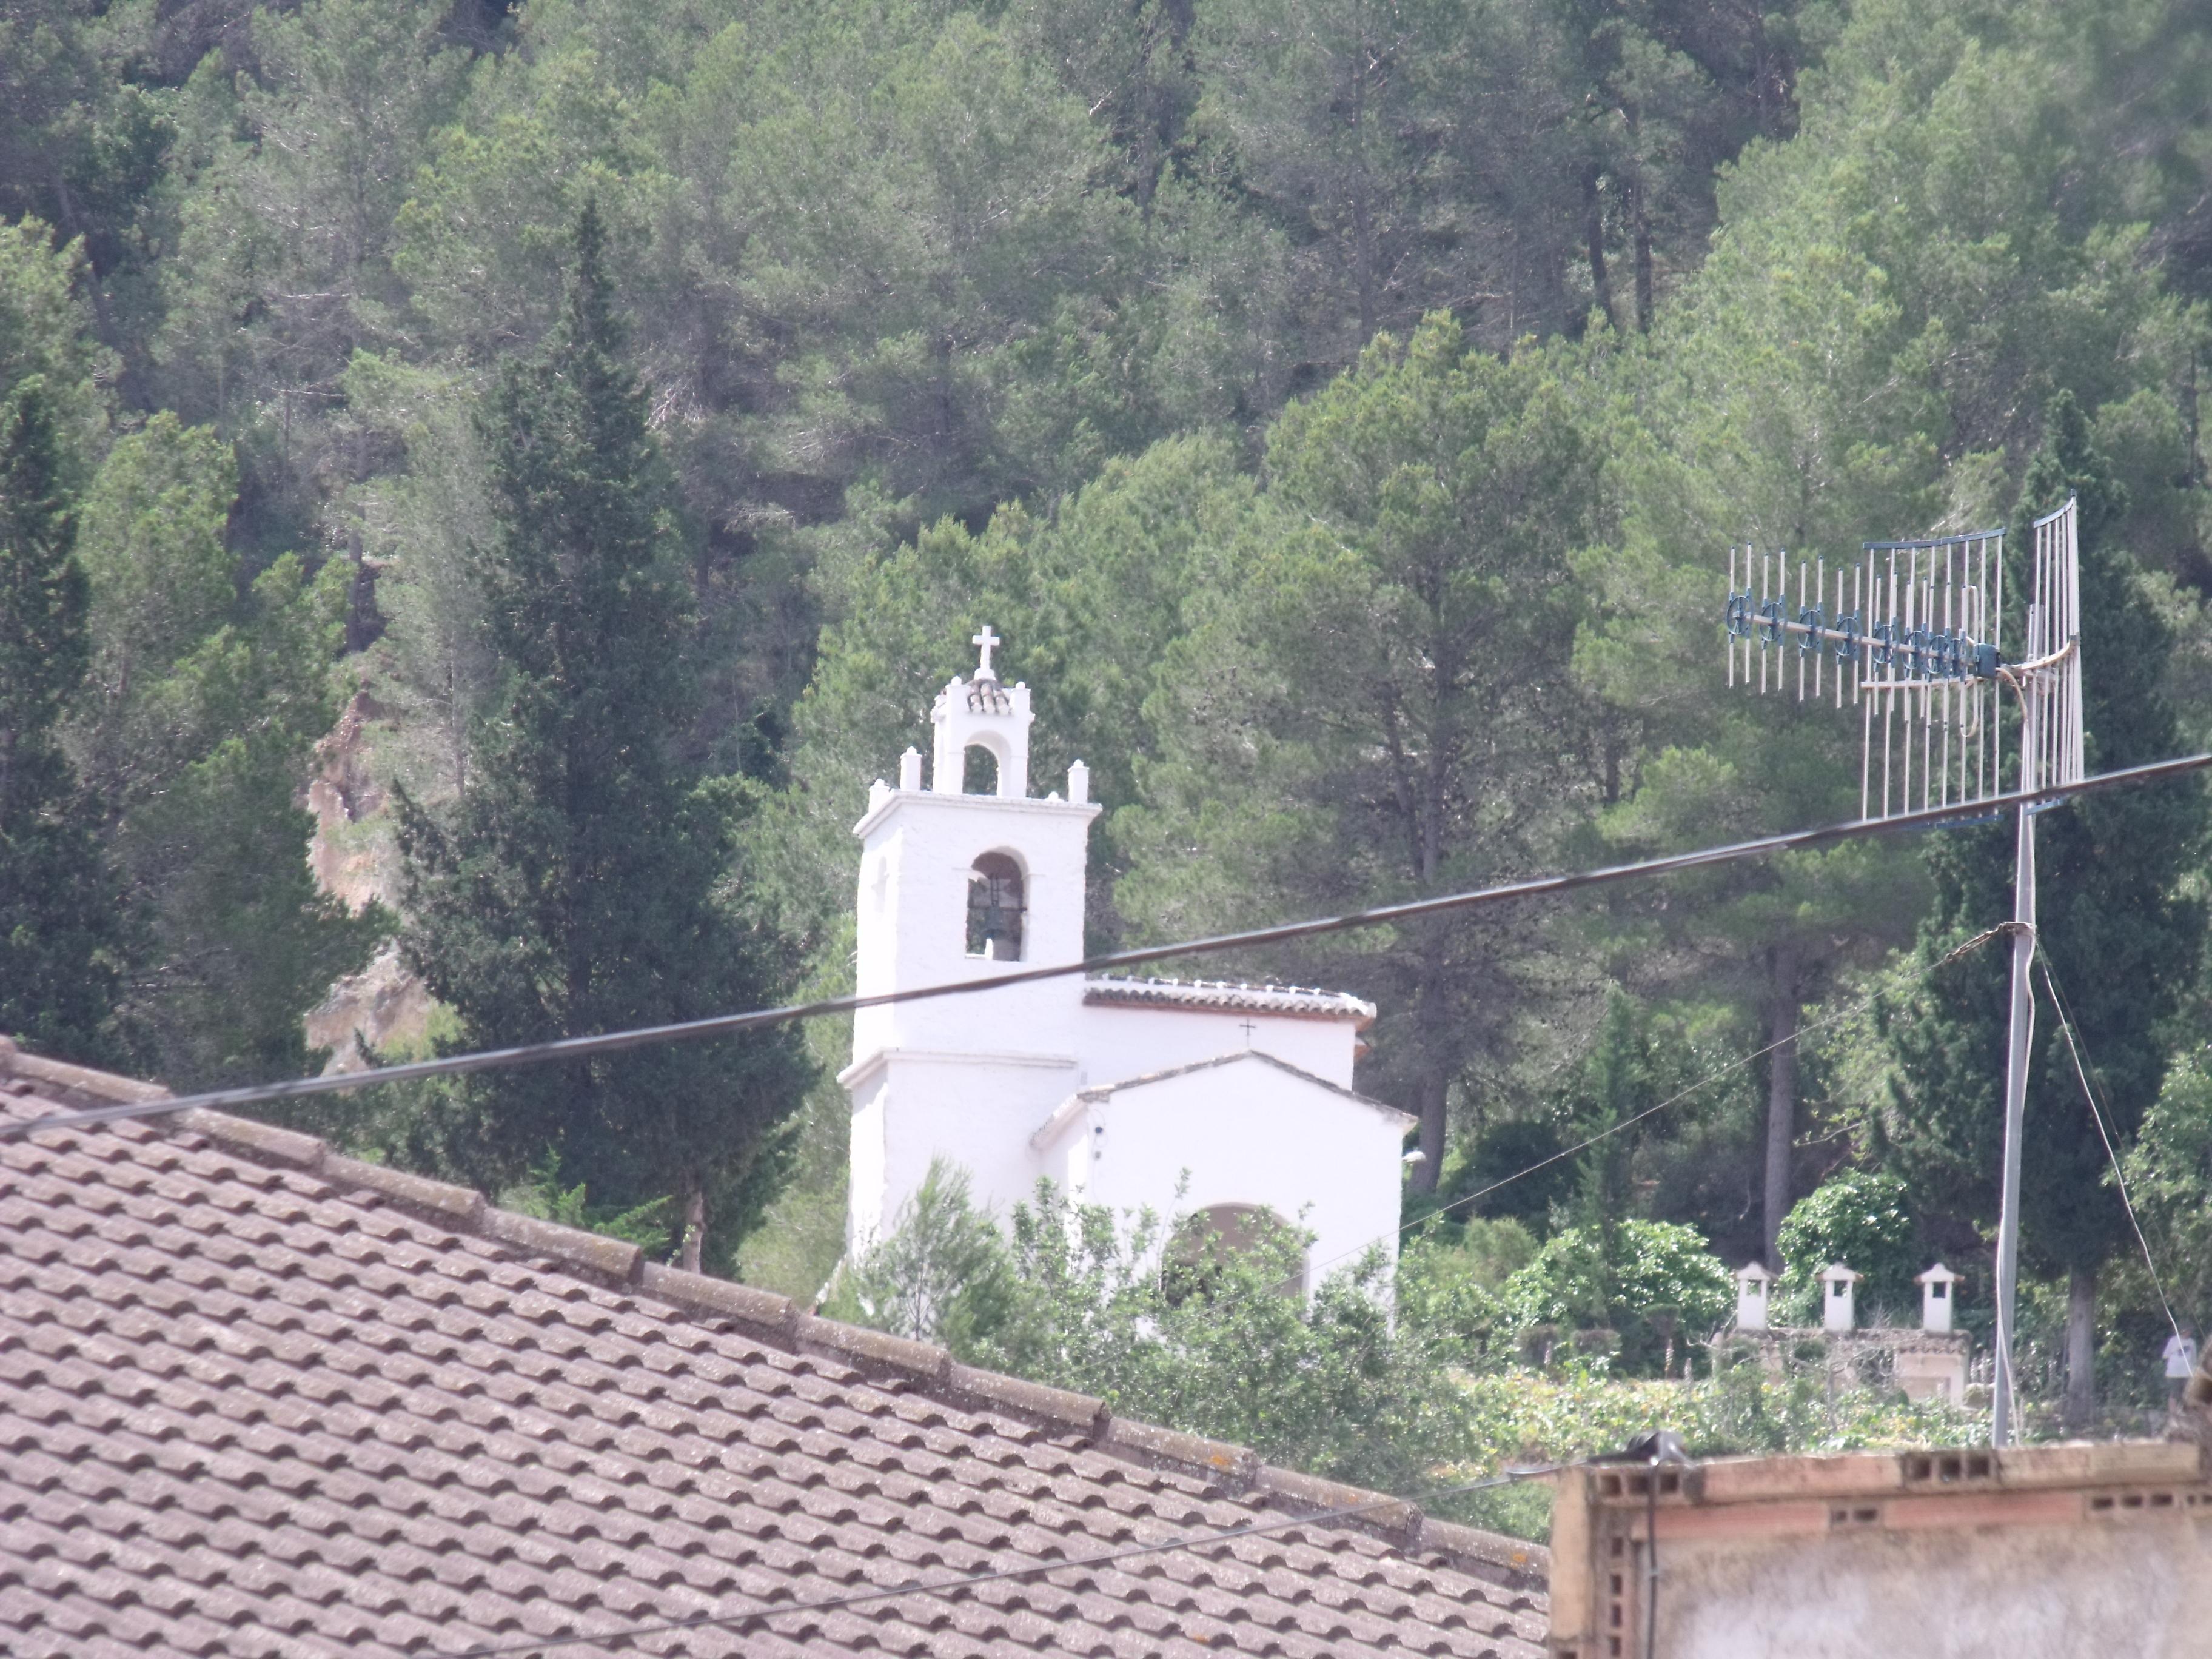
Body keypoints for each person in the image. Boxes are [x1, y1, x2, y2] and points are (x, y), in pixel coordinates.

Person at [2164, 1326, 2199, 1407]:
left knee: (2188, 1393)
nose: (2189, 1332)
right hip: (2174, 1373)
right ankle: (2173, 1413)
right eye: (2188, 1330)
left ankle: (2185, 1412)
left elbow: (2194, 1358)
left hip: (2187, 1373)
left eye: (2190, 1331)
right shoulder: (2173, 1340)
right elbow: (2166, 1355)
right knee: (2174, 1393)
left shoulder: (2192, 1342)